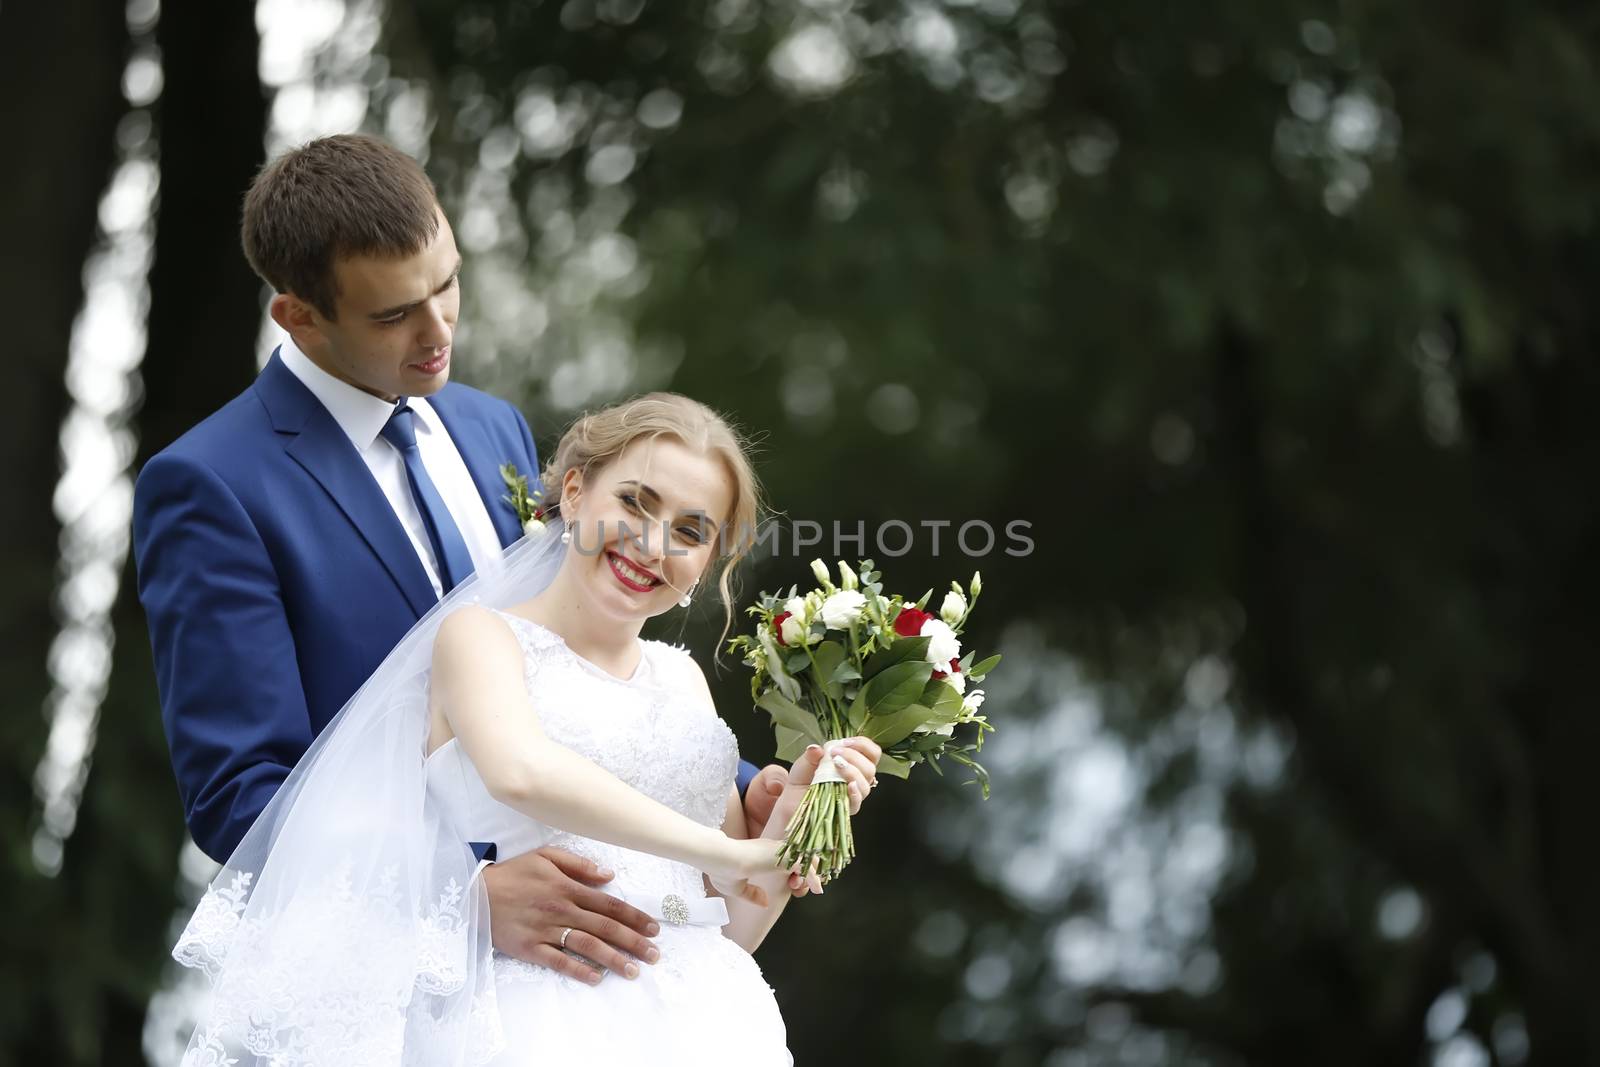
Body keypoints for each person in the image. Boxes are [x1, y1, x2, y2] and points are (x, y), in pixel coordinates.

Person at [132, 134, 790, 987]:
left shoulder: (490, 426)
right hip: (399, 970)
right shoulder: (213, 484)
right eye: (393, 313)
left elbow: (564, 663)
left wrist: (735, 790)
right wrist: (462, 895)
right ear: (298, 315)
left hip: (597, 971)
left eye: (447, 285)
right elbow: (241, 794)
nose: (438, 331)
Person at [171, 393, 883, 1065]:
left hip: (708, 1025)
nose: (651, 543)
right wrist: (726, 849)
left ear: (707, 563)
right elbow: (524, 771)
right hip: (540, 1018)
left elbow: (730, 923)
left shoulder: (684, 680)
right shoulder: (480, 638)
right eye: (635, 502)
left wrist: (782, 833)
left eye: (691, 531)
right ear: (574, 493)